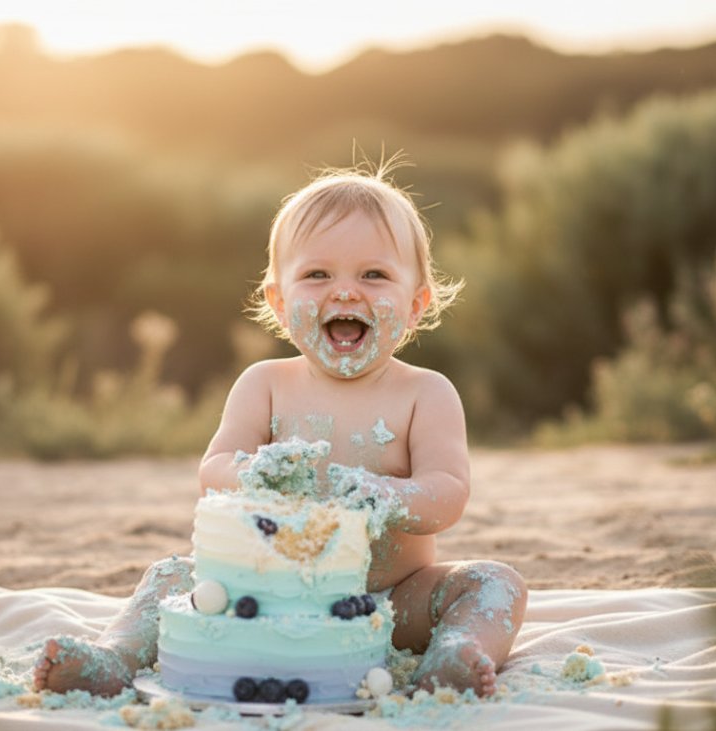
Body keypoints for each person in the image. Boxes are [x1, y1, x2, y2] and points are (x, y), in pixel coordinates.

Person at [34, 161, 528, 699]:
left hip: (388, 605)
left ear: (415, 305)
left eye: (373, 275)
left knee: (495, 582)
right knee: (169, 575)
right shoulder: (264, 384)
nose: (345, 292)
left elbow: (448, 494)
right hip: (265, 594)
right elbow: (214, 470)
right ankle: (113, 655)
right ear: (279, 301)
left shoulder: (425, 393)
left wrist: (386, 495)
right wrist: (253, 474)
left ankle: (454, 654)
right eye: (317, 275)